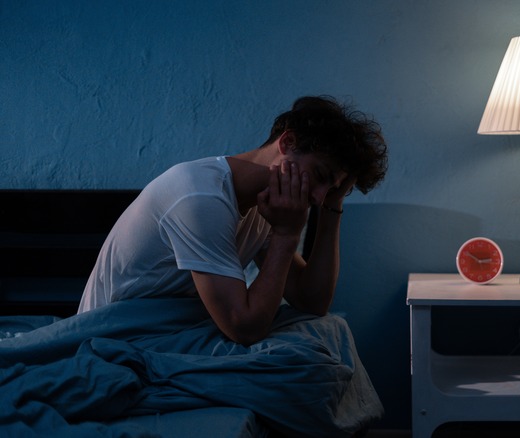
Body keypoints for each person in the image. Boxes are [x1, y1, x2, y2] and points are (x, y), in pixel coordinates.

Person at [78, 96, 388, 346]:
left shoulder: (267, 204)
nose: (318, 197)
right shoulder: (200, 198)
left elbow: (312, 301)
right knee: (303, 361)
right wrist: (285, 236)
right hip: (116, 335)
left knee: (329, 333)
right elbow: (245, 329)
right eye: (320, 176)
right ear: (286, 143)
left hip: (170, 330)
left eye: (330, 189)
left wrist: (334, 206)